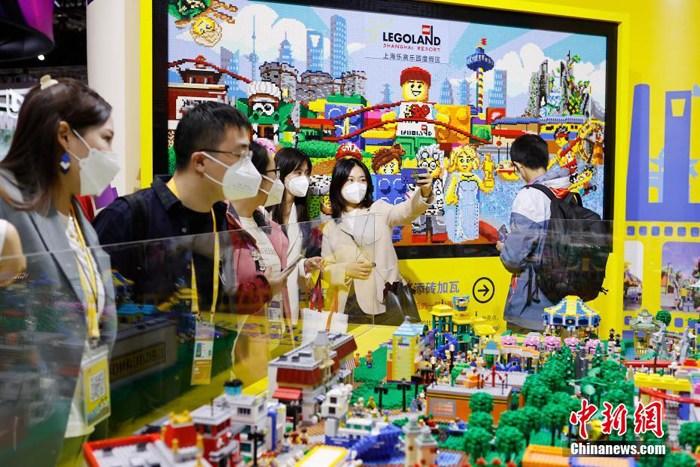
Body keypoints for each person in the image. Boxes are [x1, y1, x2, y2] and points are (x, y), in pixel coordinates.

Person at [0, 76, 118, 467]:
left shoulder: (74, 211)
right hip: (27, 419)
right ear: (65, 136)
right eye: (106, 138)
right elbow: (18, 282)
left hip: (84, 405)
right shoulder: (8, 197)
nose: (111, 153)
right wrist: (12, 271)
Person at [93, 102, 251, 310]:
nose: (248, 168)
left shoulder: (220, 218)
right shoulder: (127, 217)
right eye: (239, 156)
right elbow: (96, 310)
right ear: (200, 161)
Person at [322, 155, 433, 324]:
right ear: (338, 185)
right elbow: (325, 269)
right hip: (351, 305)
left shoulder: (380, 209)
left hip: (387, 298)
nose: (357, 185)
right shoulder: (331, 228)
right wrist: (345, 270)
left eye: (362, 180)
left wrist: (424, 193)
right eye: (350, 180)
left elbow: (406, 211)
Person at [223, 141, 295, 383]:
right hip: (240, 349)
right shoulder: (223, 227)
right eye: (274, 173)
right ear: (253, 176)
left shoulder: (269, 227)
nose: (277, 182)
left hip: (273, 339)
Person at [496, 134, 571, 331]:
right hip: (561, 302)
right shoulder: (565, 191)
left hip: (531, 306)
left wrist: (504, 247)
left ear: (518, 166)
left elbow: (513, 259)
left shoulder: (529, 197)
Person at [268, 146, 323, 325]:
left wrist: (305, 264)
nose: (304, 179)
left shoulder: (301, 214)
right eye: (298, 172)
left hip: (290, 294)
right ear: (281, 173)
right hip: (266, 292)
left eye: (306, 173)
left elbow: (292, 258)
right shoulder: (264, 211)